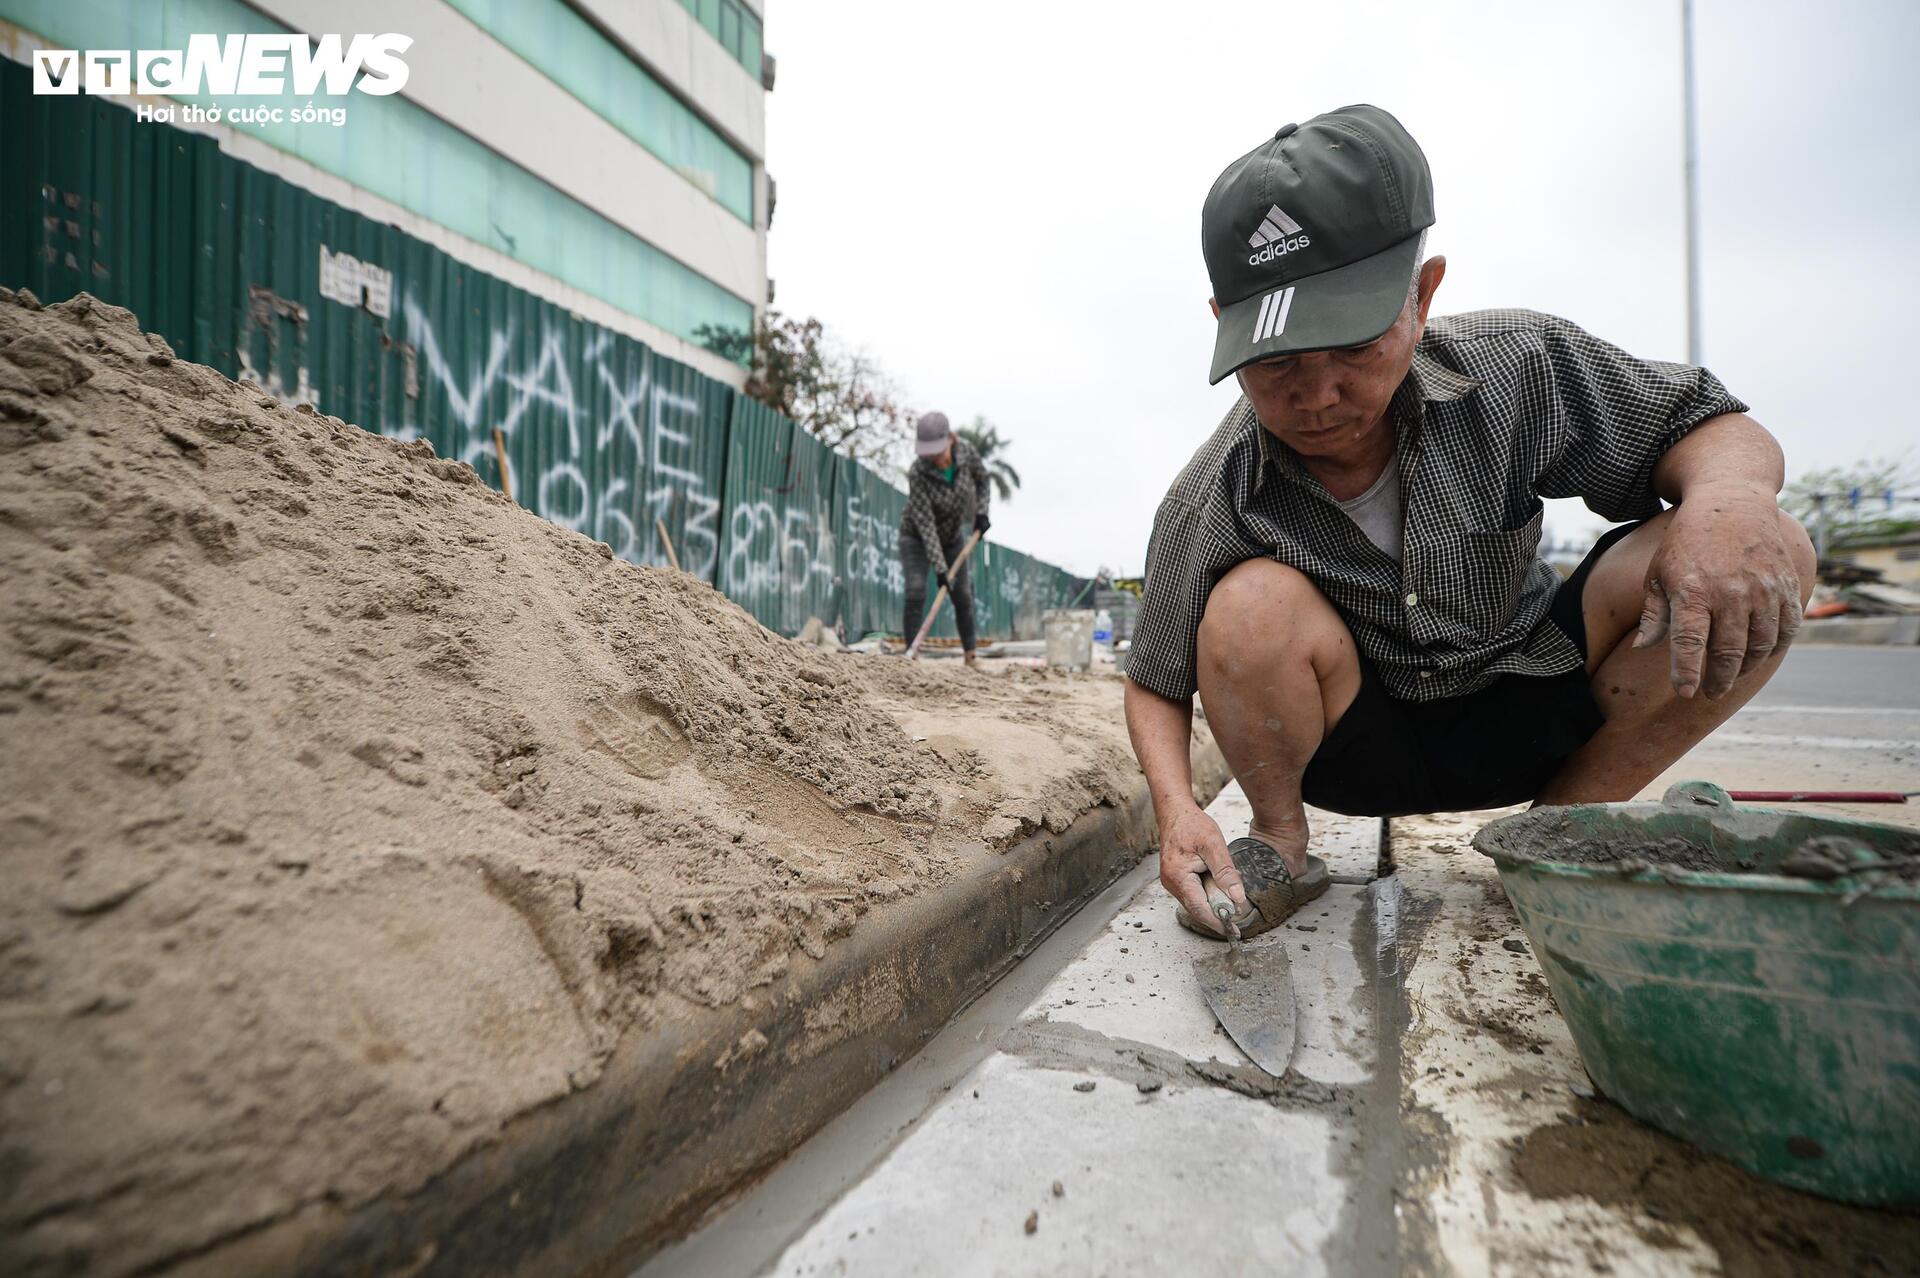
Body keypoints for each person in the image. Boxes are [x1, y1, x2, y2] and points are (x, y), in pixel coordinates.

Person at [1125, 105, 1815, 938]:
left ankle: (1558, 835)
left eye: (1353, 346)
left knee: (1766, 543)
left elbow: (1712, 430)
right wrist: (1176, 813)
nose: (1317, 396)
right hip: (1357, 746)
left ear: (1421, 296)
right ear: (1226, 334)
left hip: (1536, 699)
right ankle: (1280, 845)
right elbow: (1155, 683)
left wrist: (1732, 502)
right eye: (1276, 365)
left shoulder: (1518, 366)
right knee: (1249, 604)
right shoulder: (1213, 492)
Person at [900, 411, 992, 666]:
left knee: (962, 593)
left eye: (937, 452)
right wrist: (940, 569)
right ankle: (911, 659)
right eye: (928, 453)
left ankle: (970, 657)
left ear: (951, 439)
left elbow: (983, 480)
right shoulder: (918, 472)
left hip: (952, 537)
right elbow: (926, 524)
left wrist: (982, 512)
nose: (934, 458)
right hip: (917, 537)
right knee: (916, 590)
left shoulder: (967, 453)